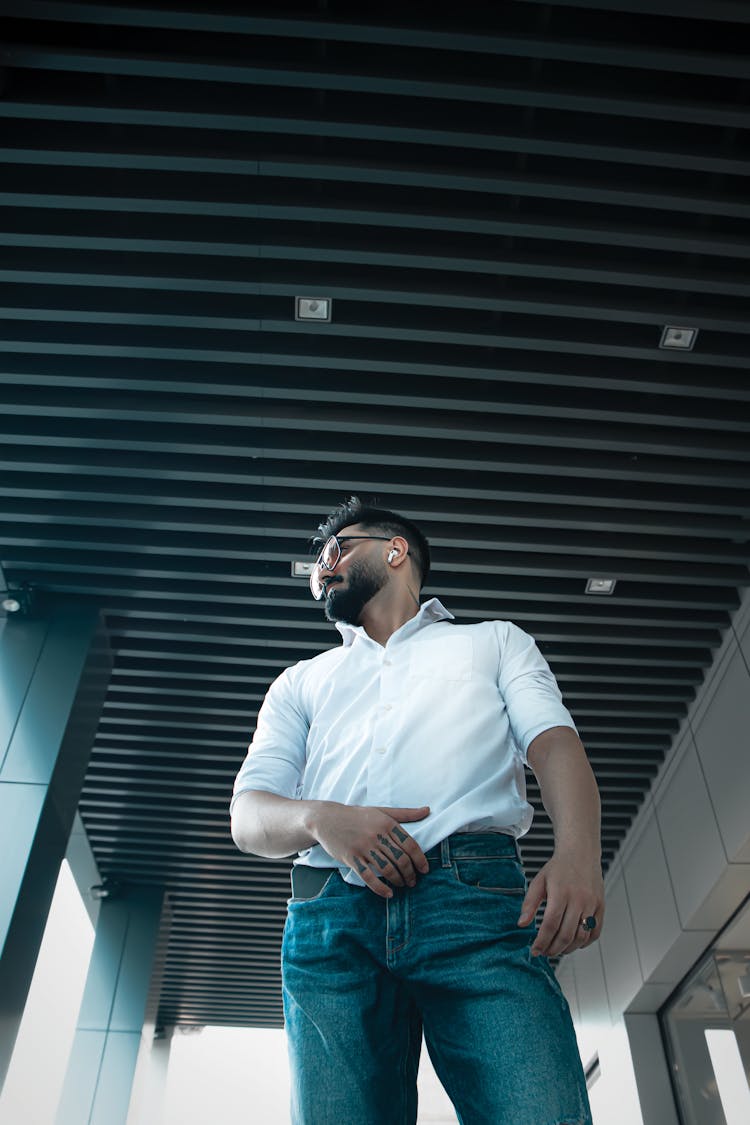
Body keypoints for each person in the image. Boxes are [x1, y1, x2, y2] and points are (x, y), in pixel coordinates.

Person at [231, 497, 604, 1125]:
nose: (322, 569)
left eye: (336, 551)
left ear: (394, 550)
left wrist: (578, 854)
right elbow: (248, 816)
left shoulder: (495, 642)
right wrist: (323, 819)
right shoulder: (298, 682)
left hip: (476, 907)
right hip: (331, 922)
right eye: (318, 561)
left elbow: (554, 742)